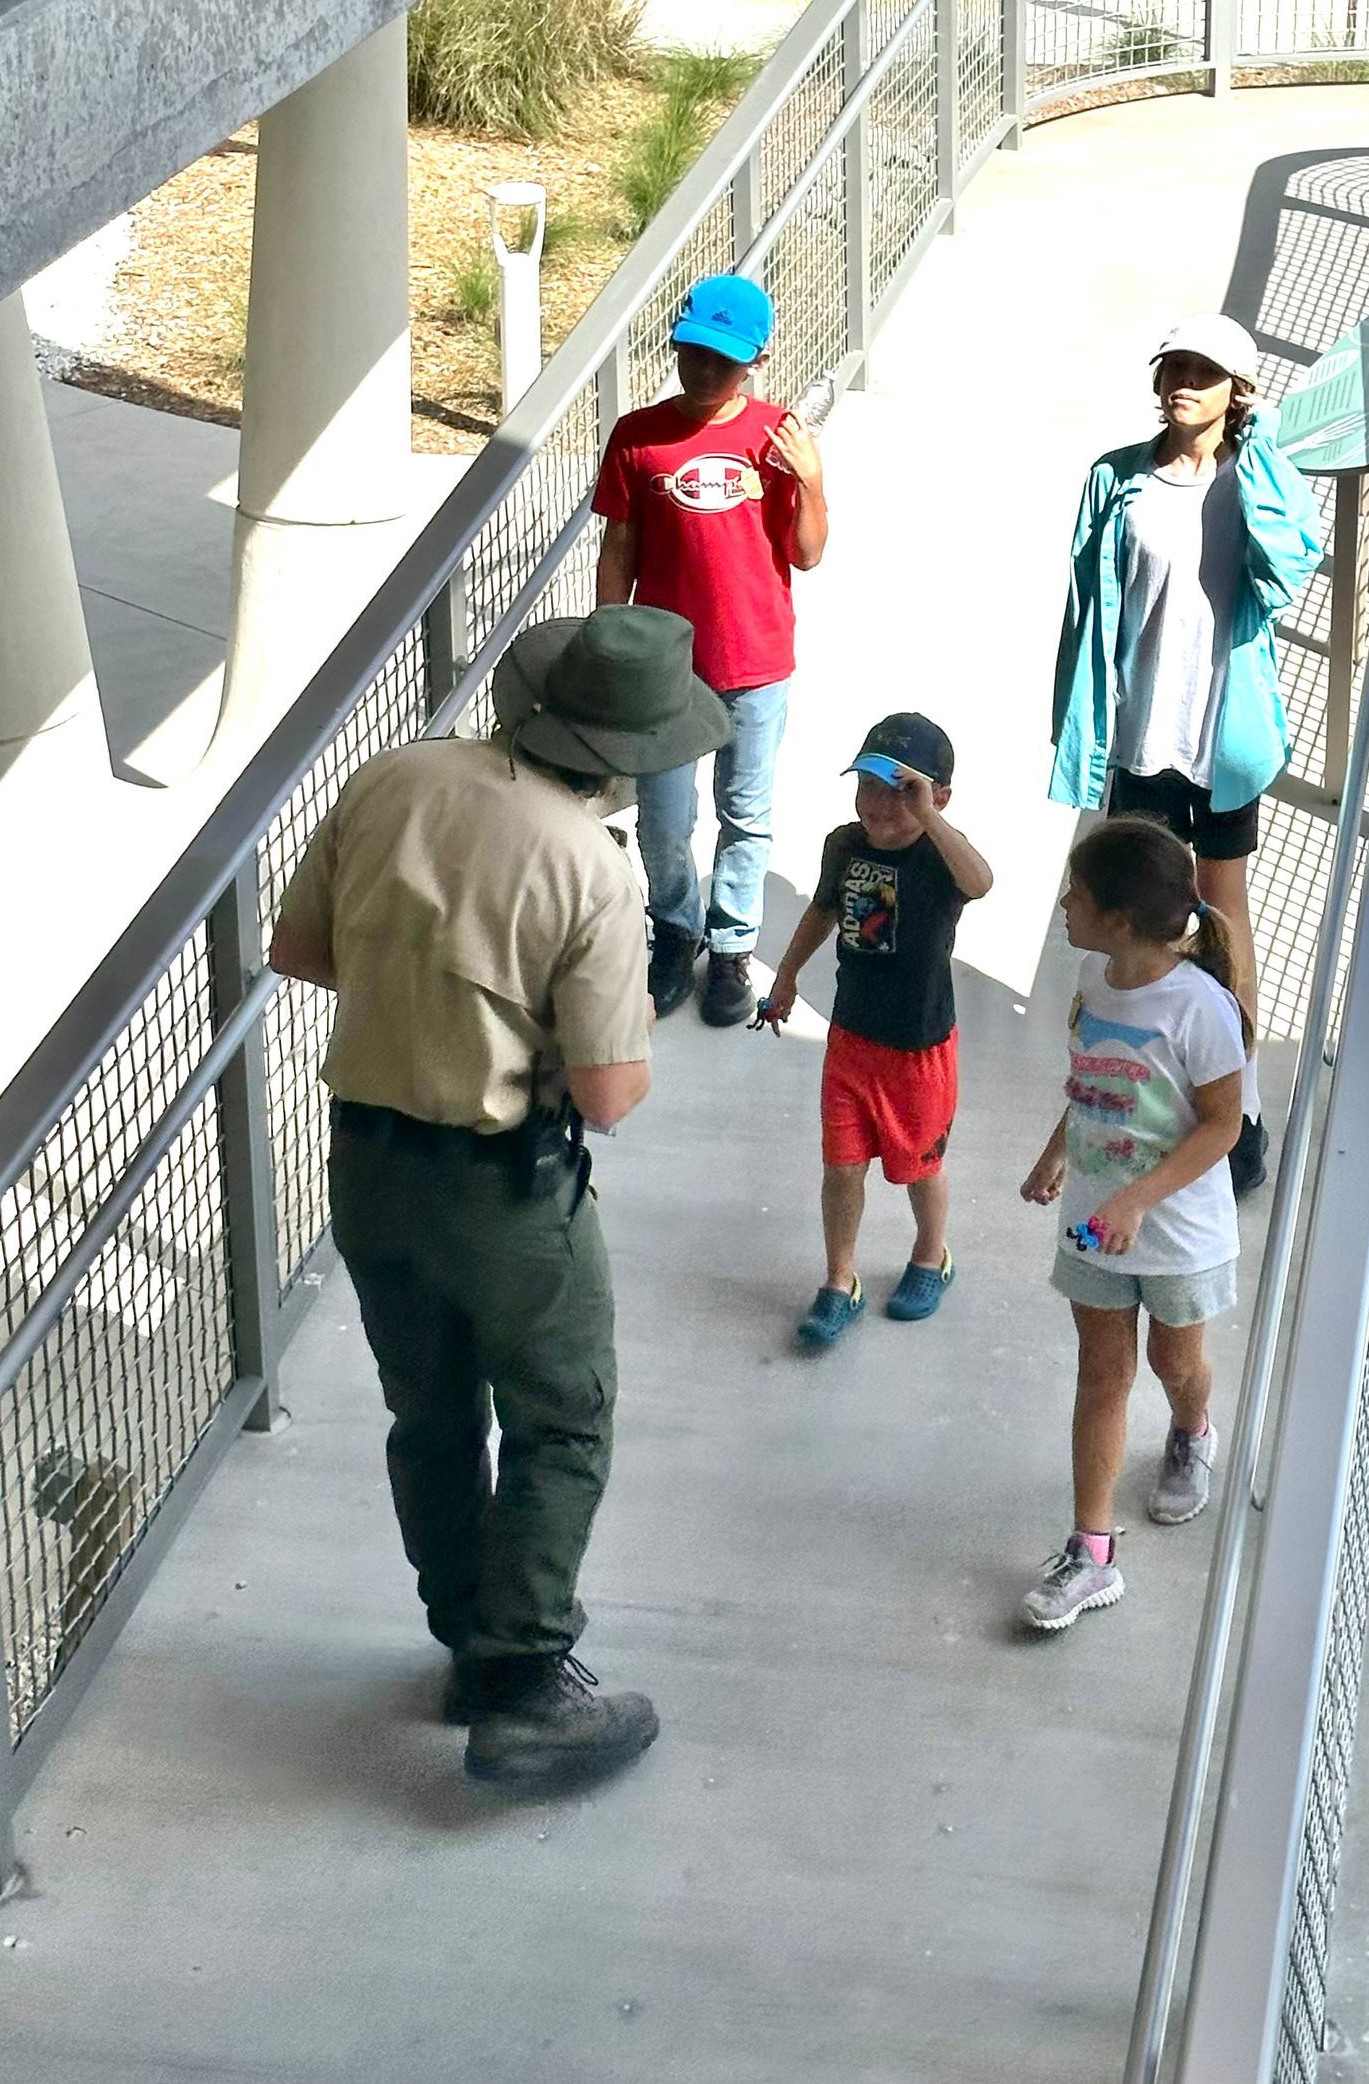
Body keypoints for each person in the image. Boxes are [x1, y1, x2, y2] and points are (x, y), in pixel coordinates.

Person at [268, 606, 729, 1791]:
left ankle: (468, 1644)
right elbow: (613, 1091)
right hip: (505, 1185)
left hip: (367, 1169)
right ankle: (525, 1677)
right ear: (634, 751)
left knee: (428, 1414)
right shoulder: (589, 865)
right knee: (561, 1414)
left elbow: (300, 948)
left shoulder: (396, 777)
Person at [1047, 311, 1322, 1195]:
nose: (1183, 383)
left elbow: (1291, 568)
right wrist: (1078, 718)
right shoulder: (1116, 479)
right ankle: (1151, 1084)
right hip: (1141, 731)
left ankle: (1231, 1108)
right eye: (1174, 367)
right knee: (1146, 910)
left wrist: (1265, 447)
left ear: (1238, 389)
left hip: (1222, 730)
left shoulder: (1257, 480)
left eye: (1205, 372)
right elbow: (1087, 607)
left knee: (1223, 904)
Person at [1017, 816, 1248, 1631]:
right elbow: (1095, 1080)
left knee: (1173, 1358)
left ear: (1120, 917)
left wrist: (1139, 1198)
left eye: (1076, 895)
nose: (1063, 905)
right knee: (1102, 1373)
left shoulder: (1200, 1008)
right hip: (1092, 1223)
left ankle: (1192, 1426)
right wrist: (1059, 1150)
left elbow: (1223, 1126)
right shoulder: (1093, 971)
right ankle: (1091, 1551)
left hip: (1178, 1234)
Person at [593, 273, 830, 1030]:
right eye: (692, 353)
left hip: (755, 660)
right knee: (663, 816)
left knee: (745, 812)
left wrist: (812, 482)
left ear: (755, 360)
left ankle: (731, 944)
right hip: (665, 665)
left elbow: (807, 552)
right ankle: (676, 929)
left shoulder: (774, 437)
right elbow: (619, 543)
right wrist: (609, 637)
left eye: (721, 362)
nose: (702, 372)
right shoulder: (638, 435)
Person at [757, 713, 994, 1352]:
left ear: (936, 795)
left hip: (918, 1047)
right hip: (851, 1040)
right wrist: (785, 978)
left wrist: (933, 820)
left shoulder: (941, 857)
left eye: (901, 790)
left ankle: (929, 1255)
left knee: (922, 1166)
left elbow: (982, 882)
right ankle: (840, 1281)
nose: (880, 804)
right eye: (868, 785)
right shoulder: (845, 844)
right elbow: (821, 910)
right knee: (841, 1166)